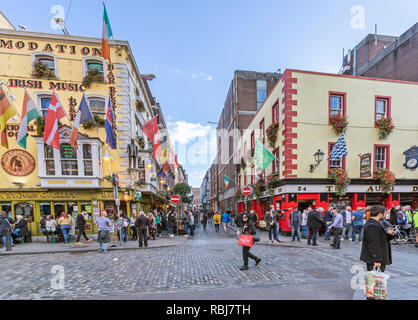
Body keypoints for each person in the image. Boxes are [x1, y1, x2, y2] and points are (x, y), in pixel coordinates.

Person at [360, 205, 395, 299]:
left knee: (375, 283)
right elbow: (374, 244)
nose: (385, 215)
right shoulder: (373, 225)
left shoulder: (375, 223)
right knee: (374, 283)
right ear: (380, 214)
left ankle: (374, 297)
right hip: (375, 258)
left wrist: (390, 234)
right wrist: (377, 259)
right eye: (385, 213)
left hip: (375, 257)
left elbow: (380, 238)